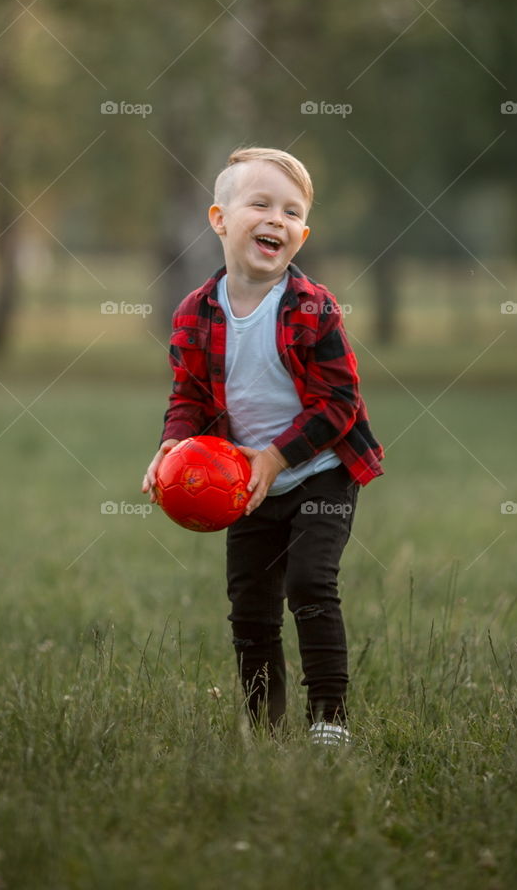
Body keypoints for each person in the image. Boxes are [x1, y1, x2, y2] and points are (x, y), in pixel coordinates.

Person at [142, 146, 384, 745]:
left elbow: (339, 403)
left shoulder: (313, 307)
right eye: (261, 204)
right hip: (244, 484)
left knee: (309, 584)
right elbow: (190, 399)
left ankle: (329, 718)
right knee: (250, 607)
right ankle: (266, 729)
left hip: (323, 470)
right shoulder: (194, 313)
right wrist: (171, 449)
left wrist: (276, 457)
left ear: (302, 232)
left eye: (291, 211)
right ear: (220, 219)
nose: (277, 218)